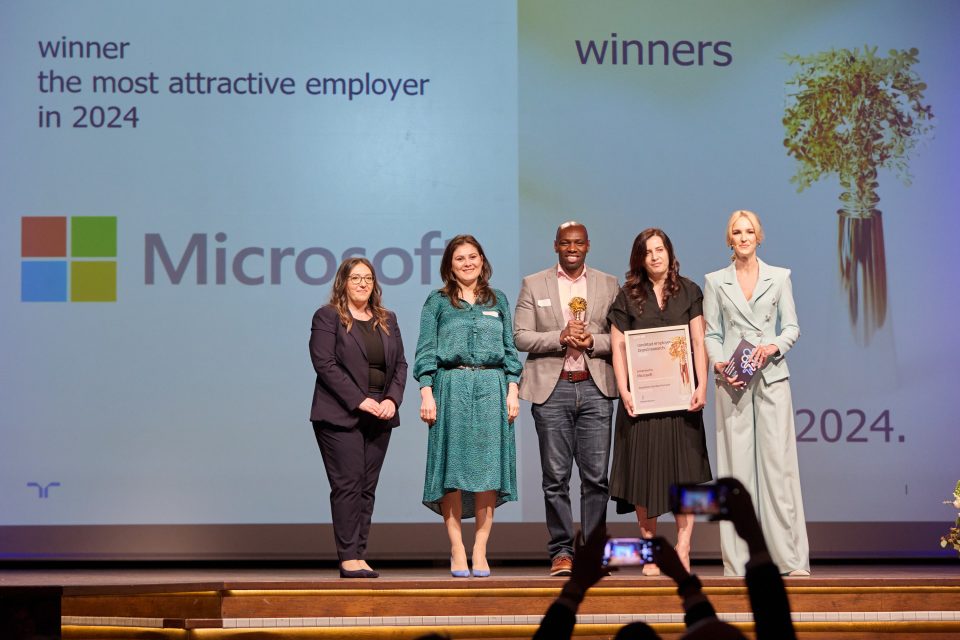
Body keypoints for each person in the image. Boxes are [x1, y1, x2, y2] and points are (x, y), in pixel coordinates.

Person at [703, 209, 810, 577]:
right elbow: (711, 333)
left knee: (779, 470)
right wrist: (718, 363)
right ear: (729, 239)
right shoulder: (716, 281)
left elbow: (792, 326)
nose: (744, 237)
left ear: (759, 236)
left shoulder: (780, 277)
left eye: (750, 231)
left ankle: (790, 562)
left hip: (771, 378)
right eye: (737, 231)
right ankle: (739, 564)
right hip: (732, 381)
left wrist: (773, 346)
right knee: (736, 475)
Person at [514, 221, 619, 576]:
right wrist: (559, 337)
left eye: (578, 243)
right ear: (555, 245)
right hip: (552, 388)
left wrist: (593, 342)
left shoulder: (608, 283)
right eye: (565, 243)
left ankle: (591, 552)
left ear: (587, 245)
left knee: (596, 479)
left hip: (595, 386)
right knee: (555, 477)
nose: (571, 248)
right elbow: (521, 336)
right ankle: (561, 552)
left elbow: (619, 338)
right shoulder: (534, 283)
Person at [414, 234, 522, 578]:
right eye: (459, 258)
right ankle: (457, 548)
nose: (467, 263)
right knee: (453, 471)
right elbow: (425, 351)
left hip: (492, 389)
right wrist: (426, 392)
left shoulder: (498, 299)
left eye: (473, 256)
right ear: (449, 265)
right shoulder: (438, 302)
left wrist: (513, 389)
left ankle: (480, 548)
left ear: (482, 260)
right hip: (451, 389)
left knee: (489, 470)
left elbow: (509, 352)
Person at [608, 229, 712, 574]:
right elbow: (619, 347)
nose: (654, 256)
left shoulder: (690, 291)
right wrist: (624, 390)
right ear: (639, 258)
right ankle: (651, 548)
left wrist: (702, 385)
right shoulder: (627, 297)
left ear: (669, 252)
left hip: (682, 400)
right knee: (643, 474)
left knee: (684, 475)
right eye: (647, 251)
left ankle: (683, 546)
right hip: (643, 402)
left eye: (660, 249)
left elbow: (698, 341)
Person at [309, 257, 407, 578]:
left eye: (368, 278)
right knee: (348, 485)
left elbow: (401, 365)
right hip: (340, 415)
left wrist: (392, 399)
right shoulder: (328, 317)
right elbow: (325, 364)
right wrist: (360, 401)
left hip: (380, 415)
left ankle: (359, 554)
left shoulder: (387, 319)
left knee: (367, 488)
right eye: (355, 278)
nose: (363, 283)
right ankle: (348, 556)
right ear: (343, 282)